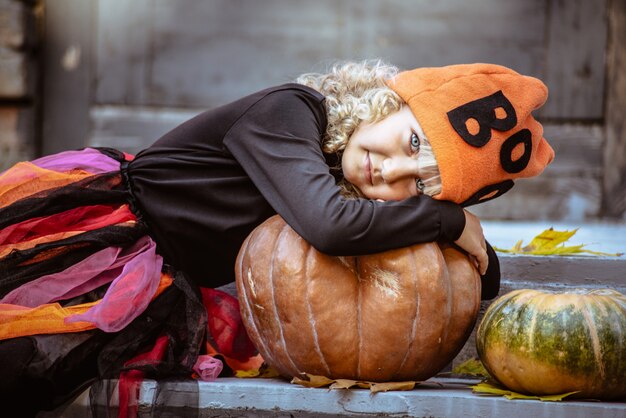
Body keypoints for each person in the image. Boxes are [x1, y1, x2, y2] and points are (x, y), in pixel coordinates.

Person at [0, 60, 553, 414]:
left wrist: (475, 251)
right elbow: (328, 226)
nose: (391, 174)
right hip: (98, 236)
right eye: (411, 144)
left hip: (159, 281)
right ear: (393, 99)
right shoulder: (290, 111)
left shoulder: (350, 181)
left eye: (418, 186)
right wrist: (450, 221)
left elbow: (479, 276)